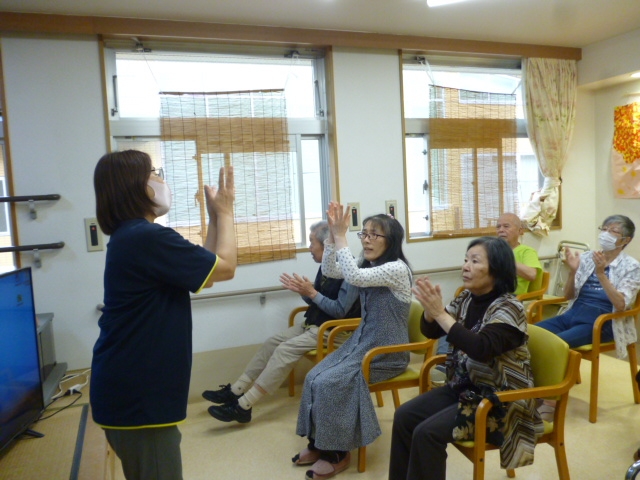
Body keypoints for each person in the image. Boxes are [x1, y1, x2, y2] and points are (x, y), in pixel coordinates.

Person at [90, 150, 237, 480]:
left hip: (129, 388)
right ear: (136, 186)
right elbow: (227, 268)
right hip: (138, 397)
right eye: (154, 172)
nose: (161, 178)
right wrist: (227, 213)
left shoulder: (133, 236)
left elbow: (208, 273)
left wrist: (215, 217)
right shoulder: (146, 237)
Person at [389, 236, 542, 480]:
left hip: (499, 401)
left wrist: (439, 313)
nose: (465, 266)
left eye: (475, 261)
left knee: (427, 433)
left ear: (497, 269)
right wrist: (430, 312)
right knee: (404, 416)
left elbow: (481, 348)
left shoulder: (509, 308)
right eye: (465, 260)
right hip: (465, 388)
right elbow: (432, 331)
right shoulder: (467, 298)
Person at [293, 203, 413, 480]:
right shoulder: (368, 264)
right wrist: (332, 238)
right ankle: (319, 442)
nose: (367, 240)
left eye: (374, 235)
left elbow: (354, 277)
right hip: (361, 343)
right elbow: (331, 271)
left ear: (391, 241)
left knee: (332, 382)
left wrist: (340, 236)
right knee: (314, 376)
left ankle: (337, 453)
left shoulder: (396, 269)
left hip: (387, 352)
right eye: (365, 234)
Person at [204, 220, 361, 424]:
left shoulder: (349, 270)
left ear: (326, 245)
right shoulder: (326, 265)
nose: (309, 248)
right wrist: (304, 292)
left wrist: (312, 293)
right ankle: (236, 390)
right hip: (315, 325)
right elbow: (318, 299)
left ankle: (244, 406)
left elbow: (340, 311)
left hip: (335, 331)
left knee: (284, 350)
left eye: (312, 242)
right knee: (272, 342)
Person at [536, 215, 640, 354]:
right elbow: (568, 296)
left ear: (626, 240)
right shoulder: (587, 257)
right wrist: (572, 272)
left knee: (553, 344)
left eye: (613, 231)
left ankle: (560, 369)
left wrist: (601, 274)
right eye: (604, 229)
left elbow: (621, 305)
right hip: (573, 313)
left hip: (603, 321)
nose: (606, 234)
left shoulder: (632, 266)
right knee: (528, 335)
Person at [496, 212, 542, 296]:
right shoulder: (492, 250)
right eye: (498, 227)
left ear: (520, 231)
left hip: (511, 297)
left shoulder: (527, 251)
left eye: (506, 226)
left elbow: (532, 275)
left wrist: (506, 260)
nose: (501, 230)